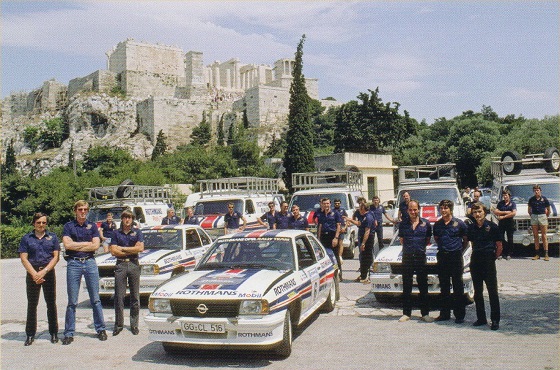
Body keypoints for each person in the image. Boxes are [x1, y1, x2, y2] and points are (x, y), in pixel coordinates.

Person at [62, 200, 107, 345]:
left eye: (85, 209)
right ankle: (69, 333)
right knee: (72, 301)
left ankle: (100, 329)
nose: (83, 212)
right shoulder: (68, 226)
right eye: (80, 209)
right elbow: (67, 245)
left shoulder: (92, 226)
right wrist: (86, 244)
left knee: (95, 299)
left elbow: (95, 245)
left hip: (89, 262)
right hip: (74, 263)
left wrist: (79, 246)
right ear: (75, 210)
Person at [18, 213, 60, 346]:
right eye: (38, 222)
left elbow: (56, 257)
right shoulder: (26, 238)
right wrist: (34, 274)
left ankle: (53, 333)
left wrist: (44, 272)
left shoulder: (52, 237)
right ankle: (30, 334)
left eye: (44, 223)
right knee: (32, 304)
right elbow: (24, 258)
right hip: (32, 274)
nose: (41, 225)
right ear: (34, 223)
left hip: (48, 272)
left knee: (51, 303)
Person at [466, 202, 502, 330]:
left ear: (484, 212)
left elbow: (499, 245)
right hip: (476, 260)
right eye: (475, 212)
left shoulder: (492, 227)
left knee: (492, 292)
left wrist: (493, 257)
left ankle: (495, 320)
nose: (477, 214)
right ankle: (481, 318)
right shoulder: (471, 228)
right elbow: (467, 241)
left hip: (488, 261)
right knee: (478, 292)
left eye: (479, 211)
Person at [397, 200, 433, 323]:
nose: (413, 212)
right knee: (407, 286)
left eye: (415, 209)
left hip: (420, 257)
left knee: (423, 285)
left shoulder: (426, 224)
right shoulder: (403, 224)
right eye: (410, 209)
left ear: (419, 209)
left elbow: (428, 240)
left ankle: (425, 313)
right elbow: (402, 240)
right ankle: (406, 313)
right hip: (407, 257)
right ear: (407, 210)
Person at [433, 199, 468, 324]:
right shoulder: (437, 225)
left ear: (450, 209)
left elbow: (465, 241)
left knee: (458, 286)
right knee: (444, 286)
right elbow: (437, 239)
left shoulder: (459, 224)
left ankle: (459, 315)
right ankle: (445, 313)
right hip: (443, 257)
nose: (443, 210)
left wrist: (457, 250)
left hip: (455, 257)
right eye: (441, 208)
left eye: (446, 208)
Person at [109, 210, 144, 336]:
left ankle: (134, 325)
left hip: (134, 264)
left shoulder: (137, 232)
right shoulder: (115, 233)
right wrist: (131, 249)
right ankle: (118, 325)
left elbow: (140, 248)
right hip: (121, 265)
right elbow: (113, 251)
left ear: (132, 219)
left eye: (129, 217)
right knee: (119, 296)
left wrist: (122, 248)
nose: (127, 219)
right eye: (125, 217)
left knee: (135, 296)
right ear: (122, 219)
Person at [346, 203, 375, 283]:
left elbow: (367, 231)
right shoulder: (364, 216)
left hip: (368, 239)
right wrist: (350, 220)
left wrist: (363, 243)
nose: (358, 209)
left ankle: (366, 277)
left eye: (360, 208)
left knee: (367, 258)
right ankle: (363, 275)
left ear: (363, 209)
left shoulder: (368, 217)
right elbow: (359, 223)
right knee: (363, 258)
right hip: (363, 237)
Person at [528, 185, 551, 261]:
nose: (536, 191)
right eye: (535, 190)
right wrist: (532, 216)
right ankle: (537, 254)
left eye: (538, 190)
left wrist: (545, 216)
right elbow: (529, 210)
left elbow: (548, 209)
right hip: (534, 216)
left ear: (540, 191)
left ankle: (546, 254)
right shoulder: (531, 199)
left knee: (544, 236)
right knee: (536, 236)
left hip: (542, 217)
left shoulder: (544, 199)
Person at [316, 198, 343, 264]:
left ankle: (338, 271)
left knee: (335, 255)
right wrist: (318, 239)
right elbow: (320, 226)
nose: (326, 205)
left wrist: (336, 238)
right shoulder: (320, 214)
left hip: (332, 236)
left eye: (327, 203)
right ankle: (330, 271)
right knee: (325, 254)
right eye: (324, 203)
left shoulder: (336, 213)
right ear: (322, 204)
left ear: (330, 204)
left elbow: (338, 226)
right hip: (323, 236)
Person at [493, 189, 517, 260]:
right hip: (502, 223)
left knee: (510, 238)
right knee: (501, 238)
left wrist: (503, 216)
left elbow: (513, 213)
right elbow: (496, 211)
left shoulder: (512, 203)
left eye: (506, 195)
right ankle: (502, 252)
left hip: (509, 222)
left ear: (509, 196)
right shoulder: (500, 203)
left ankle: (509, 253)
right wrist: (507, 212)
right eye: (504, 195)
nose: (505, 197)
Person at [332, 199, 348, 268]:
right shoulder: (332, 211)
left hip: (342, 229)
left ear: (340, 204)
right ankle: (335, 257)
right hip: (335, 229)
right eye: (336, 203)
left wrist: (345, 227)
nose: (337, 204)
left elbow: (347, 219)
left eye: (338, 203)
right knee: (335, 244)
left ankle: (340, 256)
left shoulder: (343, 210)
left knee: (340, 243)